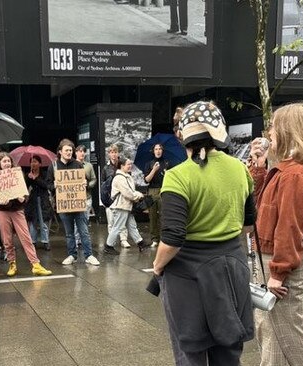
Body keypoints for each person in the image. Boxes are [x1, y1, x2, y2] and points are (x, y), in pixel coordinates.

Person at [153, 101, 254, 365]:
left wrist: (157, 265)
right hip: (232, 267)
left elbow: (173, 238)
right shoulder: (241, 169)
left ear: (184, 134)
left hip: (188, 275)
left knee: (190, 353)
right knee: (229, 351)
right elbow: (248, 224)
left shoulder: (178, 176)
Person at [249, 102, 303, 366]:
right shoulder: (287, 170)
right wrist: (260, 166)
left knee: (294, 329)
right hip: (270, 259)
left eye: (274, 126)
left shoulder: (295, 174)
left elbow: (289, 227)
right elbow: (261, 206)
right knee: (269, 326)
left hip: (278, 261)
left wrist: (278, 272)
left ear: (288, 130)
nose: (269, 132)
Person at [0, 153, 53, 277]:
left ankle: (36, 264)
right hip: (2, 211)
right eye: (4, 162)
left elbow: (24, 192)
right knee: (7, 240)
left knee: (26, 237)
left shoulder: (17, 175)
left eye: (8, 161)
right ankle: (12, 264)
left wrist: (23, 198)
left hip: (17, 210)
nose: (7, 164)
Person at [47, 139, 100, 266]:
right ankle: (72, 255)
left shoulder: (77, 164)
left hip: (78, 204)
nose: (69, 152)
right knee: (69, 233)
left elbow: (85, 181)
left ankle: (89, 255)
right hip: (64, 205)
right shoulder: (53, 166)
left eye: (71, 150)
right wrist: (54, 185)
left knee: (84, 231)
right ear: (60, 152)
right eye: (66, 150)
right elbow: (48, 184)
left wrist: (85, 183)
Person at [103, 156, 150, 255]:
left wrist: (136, 194)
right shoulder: (120, 178)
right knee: (117, 227)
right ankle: (108, 246)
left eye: (130, 164)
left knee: (132, 226)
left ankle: (141, 243)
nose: (130, 166)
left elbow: (130, 191)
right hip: (121, 206)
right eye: (128, 164)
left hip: (126, 206)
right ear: (122, 166)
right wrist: (138, 196)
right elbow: (127, 193)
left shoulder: (126, 176)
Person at [143, 143, 171, 247]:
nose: (158, 151)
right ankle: (154, 239)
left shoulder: (167, 163)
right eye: (156, 149)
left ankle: (165, 238)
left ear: (162, 151)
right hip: (152, 190)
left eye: (160, 149)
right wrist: (154, 170)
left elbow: (172, 178)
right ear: (153, 151)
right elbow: (146, 180)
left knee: (164, 215)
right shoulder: (149, 164)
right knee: (153, 216)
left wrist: (167, 173)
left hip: (164, 189)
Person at [102, 144, 129, 248]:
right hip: (110, 197)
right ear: (109, 154)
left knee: (122, 220)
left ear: (118, 153)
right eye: (111, 152)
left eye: (115, 152)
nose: (113, 154)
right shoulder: (105, 168)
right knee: (111, 221)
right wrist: (104, 200)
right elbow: (103, 184)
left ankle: (123, 239)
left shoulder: (122, 165)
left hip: (121, 197)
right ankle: (111, 241)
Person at [24, 155, 53, 251]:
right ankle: (33, 241)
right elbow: (25, 187)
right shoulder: (28, 174)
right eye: (32, 162)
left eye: (35, 162)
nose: (33, 164)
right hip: (33, 200)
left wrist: (35, 179)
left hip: (43, 199)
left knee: (43, 220)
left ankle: (45, 241)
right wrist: (29, 178)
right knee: (33, 221)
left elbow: (46, 185)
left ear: (40, 164)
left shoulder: (44, 174)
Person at [73, 145, 97, 246]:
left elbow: (94, 179)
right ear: (76, 153)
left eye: (84, 151)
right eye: (80, 151)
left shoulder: (89, 166)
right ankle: (76, 239)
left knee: (85, 219)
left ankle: (83, 239)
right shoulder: (71, 165)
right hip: (75, 197)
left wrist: (88, 184)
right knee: (75, 220)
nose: (82, 153)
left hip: (87, 196)